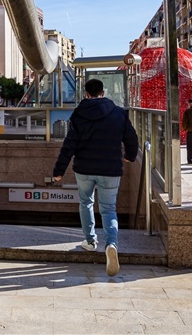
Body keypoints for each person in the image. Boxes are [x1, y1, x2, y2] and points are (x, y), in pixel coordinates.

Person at [52, 78, 139, 277]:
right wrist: (130, 156)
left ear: (87, 94)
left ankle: (90, 241)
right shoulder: (118, 113)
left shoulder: (79, 114)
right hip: (111, 169)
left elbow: (69, 145)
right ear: (103, 92)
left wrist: (59, 171)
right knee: (109, 209)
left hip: (84, 168)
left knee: (86, 203)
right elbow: (131, 138)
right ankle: (111, 244)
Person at [181, 98, 192, 165]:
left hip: (190, 131)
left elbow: (184, 121)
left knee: (190, 146)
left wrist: (185, 128)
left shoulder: (187, 111)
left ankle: (190, 160)